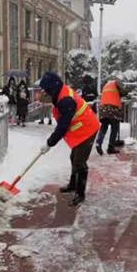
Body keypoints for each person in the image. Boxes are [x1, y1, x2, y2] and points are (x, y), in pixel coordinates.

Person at [39, 72, 100, 206]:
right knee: (74, 158)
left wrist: (50, 143)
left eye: (46, 91)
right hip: (81, 129)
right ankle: (73, 184)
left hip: (88, 128)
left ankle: (80, 194)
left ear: (51, 89)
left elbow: (63, 126)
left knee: (79, 162)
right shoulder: (60, 94)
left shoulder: (65, 99)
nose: (45, 94)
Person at [96, 79, 128, 155]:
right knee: (114, 128)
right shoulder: (117, 82)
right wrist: (128, 90)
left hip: (103, 108)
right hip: (112, 108)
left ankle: (98, 143)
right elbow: (123, 92)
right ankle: (111, 147)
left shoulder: (105, 86)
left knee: (103, 127)